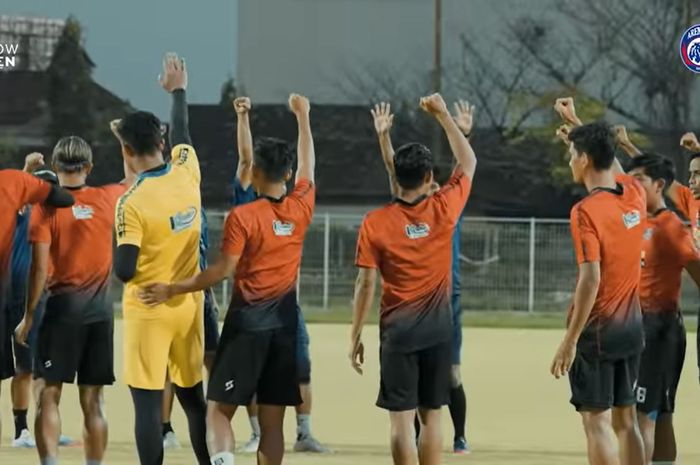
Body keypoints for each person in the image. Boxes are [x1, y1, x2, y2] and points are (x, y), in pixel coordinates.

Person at [139, 92, 316, 465]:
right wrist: (303, 118)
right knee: (272, 423)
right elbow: (308, 168)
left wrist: (173, 288)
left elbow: (221, 271)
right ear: (287, 173)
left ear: (253, 174)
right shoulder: (301, 207)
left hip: (247, 326)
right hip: (284, 327)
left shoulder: (244, 216)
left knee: (218, 411)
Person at [350, 93, 476, 465]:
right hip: (438, 331)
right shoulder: (443, 209)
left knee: (400, 422)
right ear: (429, 178)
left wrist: (355, 332)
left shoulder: (376, 222)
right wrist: (441, 116)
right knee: (432, 416)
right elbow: (467, 162)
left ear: (397, 176)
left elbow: (365, 284)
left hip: (397, 334)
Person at [112, 52, 209, 465]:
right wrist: (179, 90)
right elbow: (184, 128)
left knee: (148, 408)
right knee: (193, 400)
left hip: (149, 310)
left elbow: (124, 270)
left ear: (129, 151)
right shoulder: (187, 171)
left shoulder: (130, 202)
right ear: (163, 143)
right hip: (188, 305)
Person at [14, 135, 135, 465]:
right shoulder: (110, 197)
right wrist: (125, 142)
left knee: (49, 395)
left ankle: (50, 462)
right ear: (89, 167)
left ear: (55, 166)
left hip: (61, 311)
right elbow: (134, 178)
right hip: (99, 314)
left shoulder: (46, 207)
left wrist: (28, 316)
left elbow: (38, 269)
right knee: (94, 401)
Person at [230, 96, 328, 454]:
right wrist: (303, 116)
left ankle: (303, 433)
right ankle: (259, 432)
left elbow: (302, 168)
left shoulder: (287, 206)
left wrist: (243, 117)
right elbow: (308, 166)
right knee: (262, 374)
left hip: (276, 308)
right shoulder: (252, 205)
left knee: (299, 369)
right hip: (261, 308)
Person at [551, 97, 646, 465]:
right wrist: (577, 125)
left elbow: (590, 279)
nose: (570, 158)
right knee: (627, 423)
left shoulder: (585, 211)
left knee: (597, 424)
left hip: (598, 332)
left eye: (573, 153)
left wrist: (569, 341)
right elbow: (613, 165)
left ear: (585, 159)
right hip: (632, 328)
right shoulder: (634, 194)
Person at [624, 152, 700, 465]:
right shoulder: (637, 219)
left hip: (660, 330)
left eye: (638, 180)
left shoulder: (670, 228)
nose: (631, 185)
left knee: (644, 416)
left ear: (659, 185)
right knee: (661, 413)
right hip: (639, 325)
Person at [0, 165, 74, 443]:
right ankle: (22, 430)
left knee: (43, 366)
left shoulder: (56, 218)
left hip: (46, 297)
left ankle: (44, 427)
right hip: (20, 295)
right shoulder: (22, 213)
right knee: (26, 366)